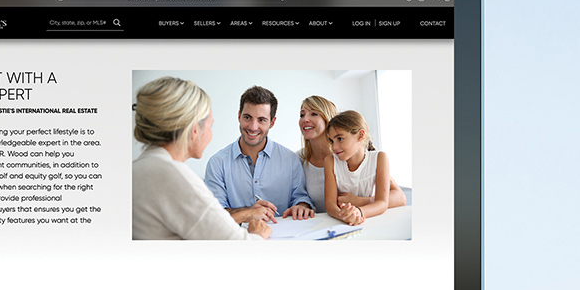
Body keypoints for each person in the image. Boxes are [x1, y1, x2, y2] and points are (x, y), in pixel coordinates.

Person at [131, 77, 268, 240]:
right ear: (195, 130)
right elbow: (237, 246)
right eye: (210, 125)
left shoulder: (139, 167)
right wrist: (258, 235)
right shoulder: (173, 176)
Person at [200, 85, 314, 225]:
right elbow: (215, 213)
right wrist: (249, 212)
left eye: (261, 120)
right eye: (247, 117)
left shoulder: (290, 160)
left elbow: (301, 198)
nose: (253, 127)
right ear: (239, 116)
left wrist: (302, 206)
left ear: (272, 122)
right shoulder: (217, 163)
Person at [315, 110, 396, 225]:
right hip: (345, 222)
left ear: (360, 136)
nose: (334, 146)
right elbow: (329, 203)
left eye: (340, 139)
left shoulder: (380, 158)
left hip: (371, 221)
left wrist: (358, 212)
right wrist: (344, 216)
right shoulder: (330, 161)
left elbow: (382, 203)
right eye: (332, 141)